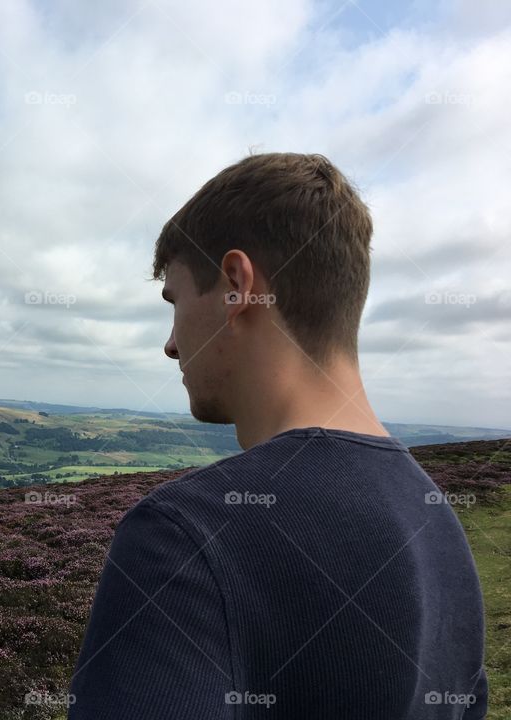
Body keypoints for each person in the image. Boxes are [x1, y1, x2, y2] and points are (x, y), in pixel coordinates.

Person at [67, 152, 488, 719]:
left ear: (237, 285)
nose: (170, 344)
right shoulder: (440, 526)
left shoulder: (184, 536)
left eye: (175, 302)